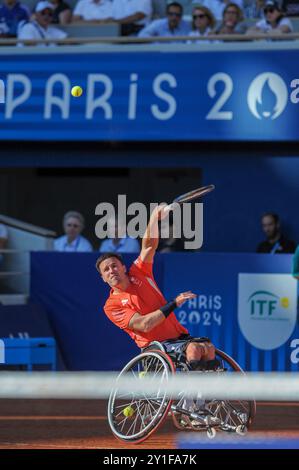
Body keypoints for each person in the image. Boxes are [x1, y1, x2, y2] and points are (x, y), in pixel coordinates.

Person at [96, 205, 217, 373]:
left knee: (208, 348)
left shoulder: (139, 272)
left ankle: (204, 397)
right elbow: (145, 325)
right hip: (155, 348)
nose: (112, 271)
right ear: (103, 278)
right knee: (194, 349)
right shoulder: (111, 306)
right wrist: (174, 303)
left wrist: (154, 218)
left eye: (114, 266)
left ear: (123, 267)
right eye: (106, 270)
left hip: (177, 338)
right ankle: (192, 398)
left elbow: (148, 246)